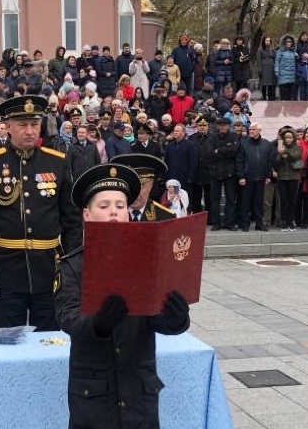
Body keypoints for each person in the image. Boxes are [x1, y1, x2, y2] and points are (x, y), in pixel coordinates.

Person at [55, 163, 190, 429]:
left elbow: (156, 319)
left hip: (139, 391)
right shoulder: (72, 265)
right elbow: (66, 316)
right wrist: (97, 324)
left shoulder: (146, 262)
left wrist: (176, 319)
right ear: (87, 214)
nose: (114, 214)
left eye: (120, 207)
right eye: (104, 207)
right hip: (94, 396)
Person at [0, 95, 83, 330]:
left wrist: (72, 268)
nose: (30, 131)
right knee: (8, 344)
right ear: (8, 127)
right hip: (7, 270)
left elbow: (71, 221)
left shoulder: (58, 162)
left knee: (51, 342)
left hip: (50, 269)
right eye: (22, 125)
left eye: (34, 124)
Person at [111, 153, 175, 222]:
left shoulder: (166, 218)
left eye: (141, 185)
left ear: (151, 185)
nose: (135, 192)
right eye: (130, 185)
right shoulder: (112, 215)